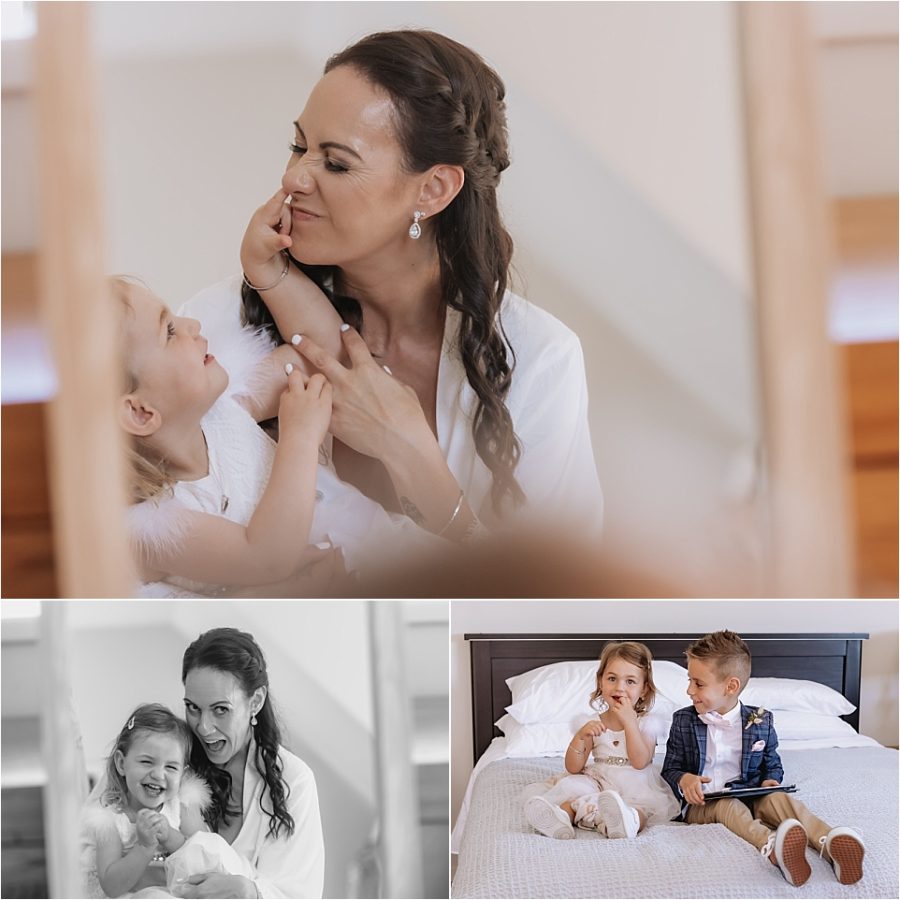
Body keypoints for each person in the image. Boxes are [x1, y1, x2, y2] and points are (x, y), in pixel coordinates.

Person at [181, 29, 603, 548]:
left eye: (336, 162)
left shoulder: (540, 360)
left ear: (432, 189)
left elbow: (557, 596)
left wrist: (410, 453)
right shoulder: (215, 326)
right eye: (299, 147)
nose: (295, 178)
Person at [116, 275, 441, 598]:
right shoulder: (150, 526)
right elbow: (266, 557)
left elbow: (323, 350)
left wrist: (267, 269)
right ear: (140, 412)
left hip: (400, 556)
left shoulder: (228, 407)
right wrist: (299, 437)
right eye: (170, 331)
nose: (193, 323)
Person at [661, 630, 865, 887]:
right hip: (705, 803)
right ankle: (772, 847)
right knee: (728, 807)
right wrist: (685, 779)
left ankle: (829, 842)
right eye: (690, 680)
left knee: (779, 800)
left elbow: (772, 761)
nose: (689, 690)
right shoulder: (683, 720)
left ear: (731, 686)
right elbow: (671, 767)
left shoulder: (760, 721)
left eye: (698, 683)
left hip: (751, 793)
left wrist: (771, 780)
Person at [177, 627, 324, 899]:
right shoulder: (169, 762)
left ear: (255, 701)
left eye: (221, 709)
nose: (204, 727)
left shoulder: (295, 780)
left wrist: (249, 892)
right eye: (193, 707)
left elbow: (298, 892)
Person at [524, 641, 679, 840]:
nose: (619, 687)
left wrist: (630, 723)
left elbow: (640, 761)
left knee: (640, 808)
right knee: (574, 794)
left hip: (635, 783)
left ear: (644, 690)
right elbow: (573, 766)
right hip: (598, 779)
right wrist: (581, 737)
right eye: (612, 678)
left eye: (630, 681)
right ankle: (560, 818)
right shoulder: (592, 722)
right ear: (600, 682)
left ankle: (628, 822)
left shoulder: (647, 723)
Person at [79, 704, 210, 898]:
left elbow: (203, 857)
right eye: (146, 762)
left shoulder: (182, 807)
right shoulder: (110, 822)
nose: (158, 774)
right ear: (122, 763)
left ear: (183, 773)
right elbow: (111, 886)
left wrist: (170, 836)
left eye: (171, 767)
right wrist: (144, 847)